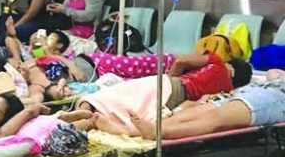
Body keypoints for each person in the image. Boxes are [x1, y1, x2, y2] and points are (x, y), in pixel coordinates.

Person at [77, 53, 253, 136]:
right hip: (180, 100)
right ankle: (90, 120)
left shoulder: (217, 62)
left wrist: (170, 77)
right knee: (136, 106)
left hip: (172, 85)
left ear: (231, 66)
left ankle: (85, 112)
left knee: (121, 93)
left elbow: (182, 61)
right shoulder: (229, 91)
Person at [130, 69, 285, 140]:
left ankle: (161, 133)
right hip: (252, 91)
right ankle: (134, 130)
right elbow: (272, 72)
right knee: (192, 112)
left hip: (273, 98)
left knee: (215, 118)